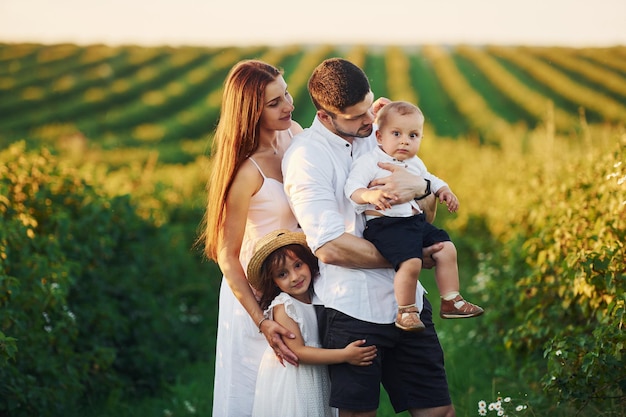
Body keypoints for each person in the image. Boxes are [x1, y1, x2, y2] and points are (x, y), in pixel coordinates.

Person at [282, 58, 456, 417]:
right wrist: (408, 256)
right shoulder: (306, 158)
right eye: (356, 116)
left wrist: (422, 187)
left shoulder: (382, 133)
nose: (369, 120)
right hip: (353, 310)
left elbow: (424, 214)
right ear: (326, 115)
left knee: (438, 411)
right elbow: (329, 247)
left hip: (408, 304)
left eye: (369, 106)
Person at [199, 59, 304, 417]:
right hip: (253, 297)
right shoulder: (246, 171)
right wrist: (261, 319)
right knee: (255, 396)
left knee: (298, 393)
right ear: (250, 112)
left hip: (294, 283)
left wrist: (372, 120)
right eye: (274, 103)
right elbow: (226, 254)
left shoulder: (295, 136)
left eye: (286, 93)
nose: (288, 105)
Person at [344, 100, 484, 332]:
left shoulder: (414, 162)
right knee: (411, 262)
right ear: (379, 137)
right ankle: (406, 310)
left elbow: (430, 179)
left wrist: (444, 191)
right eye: (396, 134)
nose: (404, 141)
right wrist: (370, 195)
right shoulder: (370, 161)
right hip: (386, 225)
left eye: (413, 135)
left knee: (446, 247)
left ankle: (451, 299)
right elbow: (352, 189)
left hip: (413, 222)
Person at [247, 229, 377, 417]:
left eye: (298, 265)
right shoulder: (285, 306)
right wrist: (345, 355)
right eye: (282, 274)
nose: (295, 277)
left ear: (307, 262)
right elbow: (297, 352)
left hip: (317, 372)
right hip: (298, 379)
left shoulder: (318, 295)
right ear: (274, 282)